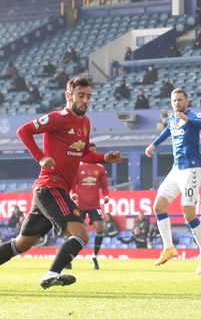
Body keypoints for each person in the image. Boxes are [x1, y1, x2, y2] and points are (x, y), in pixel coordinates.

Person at [0, 77, 122, 289]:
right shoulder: (58, 118)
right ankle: (52, 274)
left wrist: (104, 158)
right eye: (81, 96)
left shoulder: (85, 123)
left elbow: (84, 153)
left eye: (88, 96)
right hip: (51, 186)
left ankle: (52, 273)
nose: (85, 100)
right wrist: (40, 157)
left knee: (22, 243)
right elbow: (23, 131)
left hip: (49, 191)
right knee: (80, 234)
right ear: (69, 96)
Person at [145, 88, 201, 274]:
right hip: (176, 169)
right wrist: (153, 145)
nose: (177, 103)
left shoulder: (191, 116)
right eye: (174, 100)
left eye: (180, 100)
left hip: (191, 170)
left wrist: (188, 119)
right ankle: (168, 248)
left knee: (188, 213)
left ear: (186, 101)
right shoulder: (173, 119)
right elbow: (167, 131)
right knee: (158, 206)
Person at [71, 142, 110, 270]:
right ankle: (68, 257)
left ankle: (94, 256)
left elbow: (104, 185)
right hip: (80, 204)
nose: (93, 152)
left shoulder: (100, 168)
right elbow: (73, 184)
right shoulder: (78, 166)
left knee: (100, 228)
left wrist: (106, 195)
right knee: (75, 232)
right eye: (91, 150)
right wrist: (72, 193)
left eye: (94, 150)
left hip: (94, 204)